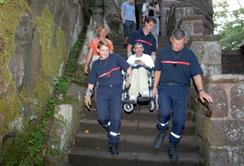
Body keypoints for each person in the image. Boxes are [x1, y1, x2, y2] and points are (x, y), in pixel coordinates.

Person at [152, 29, 213, 160]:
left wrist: (201, 90)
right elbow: (157, 70)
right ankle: (162, 130)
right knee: (164, 113)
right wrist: (154, 87)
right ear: (171, 40)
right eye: (175, 43)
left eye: (180, 44)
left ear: (184, 40)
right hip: (164, 88)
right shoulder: (162, 52)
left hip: (181, 90)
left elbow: (196, 74)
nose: (178, 46)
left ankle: (172, 146)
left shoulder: (190, 55)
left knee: (179, 122)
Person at [84, 40, 131, 155]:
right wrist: (87, 95)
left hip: (116, 91)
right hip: (102, 92)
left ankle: (114, 144)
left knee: (115, 118)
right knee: (102, 117)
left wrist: (128, 79)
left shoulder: (116, 57)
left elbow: (128, 68)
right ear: (98, 50)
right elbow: (91, 82)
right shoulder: (95, 65)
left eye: (107, 50)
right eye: (103, 50)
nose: (105, 52)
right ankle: (110, 128)